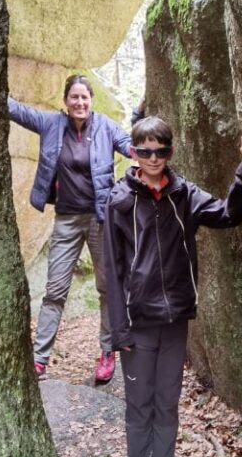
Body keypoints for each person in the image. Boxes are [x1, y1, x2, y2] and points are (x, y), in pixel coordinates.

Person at [103, 115, 242, 457]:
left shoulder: (184, 195)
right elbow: (113, 272)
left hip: (174, 320)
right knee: (140, 407)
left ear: (170, 153)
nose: (152, 158)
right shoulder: (120, 201)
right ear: (133, 153)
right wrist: (117, 330)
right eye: (144, 151)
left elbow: (228, 214)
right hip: (137, 324)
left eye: (160, 151)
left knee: (167, 404)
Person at [8, 74, 143, 383]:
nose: (80, 102)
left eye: (85, 97)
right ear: (66, 101)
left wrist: (143, 143)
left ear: (91, 101)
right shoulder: (51, 124)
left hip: (100, 219)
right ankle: (40, 358)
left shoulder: (105, 126)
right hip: (67, 220)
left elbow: (129, 146)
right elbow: (18, 111)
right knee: (54, 290)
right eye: (74, 97)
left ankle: (108, 352)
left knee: (108, 288)